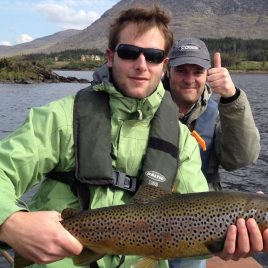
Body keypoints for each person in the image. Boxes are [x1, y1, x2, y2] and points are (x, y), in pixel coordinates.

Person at [0, 5, 266, 268]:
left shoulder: (181, 139)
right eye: (129, 53)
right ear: (111, 57)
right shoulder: (59, 118)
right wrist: (10, 222)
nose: (141, 65)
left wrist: (225, 243)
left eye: (152, 56)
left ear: (163, 65)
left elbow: (195, 219)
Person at [163, 37, 260, 191]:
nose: (189, 80)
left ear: (207, 74)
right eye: (181, 70)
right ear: (168, 71)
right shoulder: (146, 109)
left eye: (197, 72)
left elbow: (241, 159)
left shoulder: (217, 117)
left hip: (205, 211)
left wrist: (232, 97)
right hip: (153, 209)